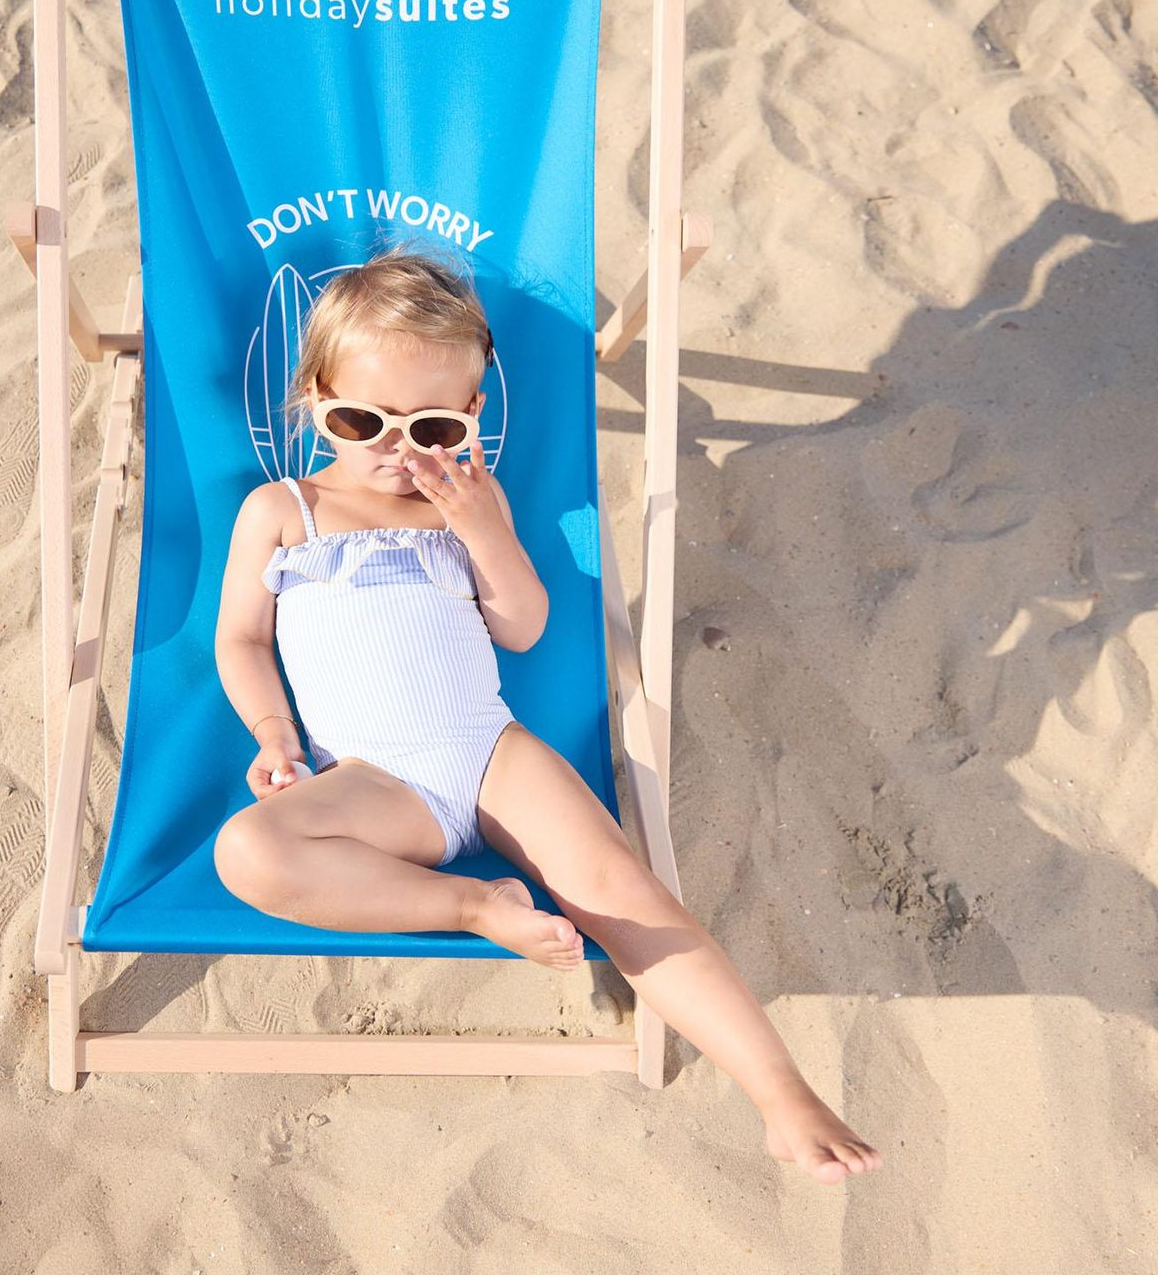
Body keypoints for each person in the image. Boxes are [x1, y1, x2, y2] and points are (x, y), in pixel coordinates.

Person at [212, 246, 883, 1185]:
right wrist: (275, 738)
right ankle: (475, 908)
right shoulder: (285, 511)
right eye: (364, 421)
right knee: (249, 852)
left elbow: (523, 627)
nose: (401, 452)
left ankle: (780, 1091)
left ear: (475, 417)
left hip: (489, 752)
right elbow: (241, 641)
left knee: (623, 891)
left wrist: (482, 526)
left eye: (434, 426)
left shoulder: (465, 511)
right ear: (315, 401)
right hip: (371, 778)